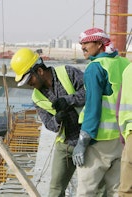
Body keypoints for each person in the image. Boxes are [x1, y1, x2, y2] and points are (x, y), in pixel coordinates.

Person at [10, 47, 85, 196]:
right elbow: (49, 124)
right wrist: (57, 119)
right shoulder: (36, 98)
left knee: (91, 189)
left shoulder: (68, 73)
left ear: (39, 71)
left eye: (29, 79)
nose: (28, 84)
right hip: (65, 144)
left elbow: (91, 92)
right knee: (55, 190)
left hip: (87, 140)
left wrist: (68, 100)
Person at [72, 27, 131, 196]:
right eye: (81, 43)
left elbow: (92, 107)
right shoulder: (125, 64)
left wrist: (82, 141)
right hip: (121, 139)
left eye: (85, 43)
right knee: (116, 190)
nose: (82, 47)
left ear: (99, 44)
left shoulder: (95, 68)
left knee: (86, 190)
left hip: (98, 141)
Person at [117, 62, 132, 196]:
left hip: (129, 132)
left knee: (126, 190)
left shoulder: (128, 70)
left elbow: (119, 109)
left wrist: (123, 136)